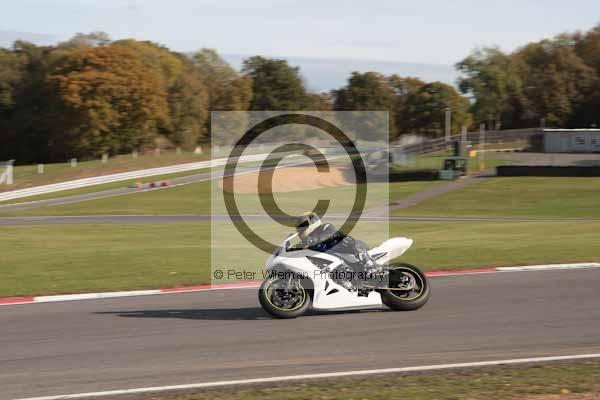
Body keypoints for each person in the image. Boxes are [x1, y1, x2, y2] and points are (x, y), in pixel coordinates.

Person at [295, 212, 377, 274]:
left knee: (343, 239)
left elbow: (328, 234)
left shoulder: (325, 227)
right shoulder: (308, 241)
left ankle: (370, 264)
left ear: (312, 223)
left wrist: (314, 240)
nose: (300, 230)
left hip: (351, 250)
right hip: (337, 261)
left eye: (302, 226)